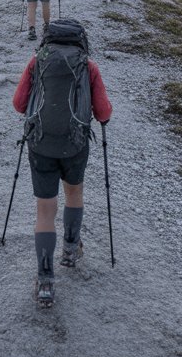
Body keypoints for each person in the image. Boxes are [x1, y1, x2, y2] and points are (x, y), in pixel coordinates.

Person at [12, 19, 112, 307]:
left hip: (40, 144)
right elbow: (103, 112)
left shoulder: (36, 62)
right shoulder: (88, 66)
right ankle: (70, 249)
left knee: (45, 210)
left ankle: (45, 280)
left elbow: (19, 105)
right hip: (74, 144)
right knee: (74, 194)